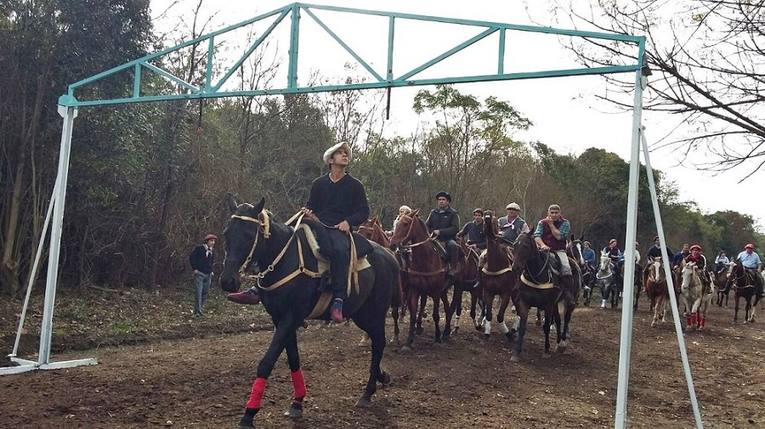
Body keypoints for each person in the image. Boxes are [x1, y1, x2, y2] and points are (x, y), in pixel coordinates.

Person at [228, 142, 370, 324]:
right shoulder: (318, 184)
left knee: (339, 250)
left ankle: (338, 299)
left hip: (338, 229)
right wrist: (308, 211)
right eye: (340, 153)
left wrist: (349, 222)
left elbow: (363, 211)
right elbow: (312, 204)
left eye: (346, 153)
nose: (345, 155)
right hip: (315, 224)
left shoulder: (355, 185)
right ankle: (258, 289)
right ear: (331, 160)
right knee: (280, 240)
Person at [533, 204, 573, 281]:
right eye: (552, 212)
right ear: (548, 213)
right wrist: (542, 245)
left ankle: (567, 289)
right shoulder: (542, 222)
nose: (554, 215)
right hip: (542, 249)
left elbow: (559, 237)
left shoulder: (565, 223)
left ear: (560, 213)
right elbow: (537, 236)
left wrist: (551, 225)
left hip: (558, 250)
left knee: (566, 269)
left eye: (556, 213)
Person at [425, 191, 461, 277]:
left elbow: (455, 228)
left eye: (443, 199)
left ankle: (453, 268)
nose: (441, 201)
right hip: (433, 239)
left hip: (447, 239)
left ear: (448, 202)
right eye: (439, 199)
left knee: (453, 245)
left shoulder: (453, 213)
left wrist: (440, 231)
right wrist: (429, 233)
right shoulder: (433, 212)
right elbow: (426, 225)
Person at [189, 234, 217, 316]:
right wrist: (195, 269)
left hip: (208, 274)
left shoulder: (212, 251)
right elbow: (191, 258)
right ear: (207, 241)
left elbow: (211, 262)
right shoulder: (199, 249)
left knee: (205, 292)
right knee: (198, 292)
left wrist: (211, 271)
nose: (213, 243)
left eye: (214, 241)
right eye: (211, 241)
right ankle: (197, 311)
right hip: (200, 273)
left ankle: (200, 309)